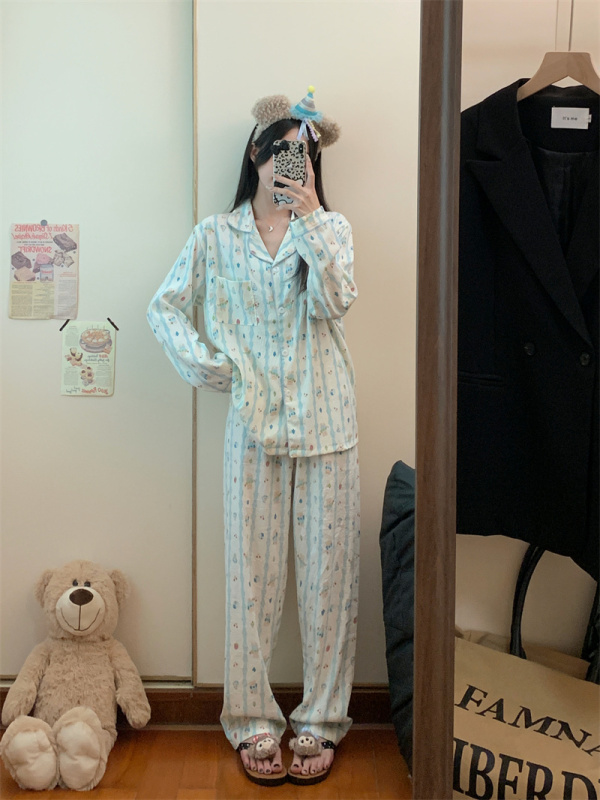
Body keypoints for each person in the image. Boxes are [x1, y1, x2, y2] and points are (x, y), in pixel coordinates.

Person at [147, 87, 360, 787]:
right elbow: (164, 307)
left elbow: (335, 302)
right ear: (255, 153)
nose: (290, 166)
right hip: (254, 429)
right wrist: (213, 368)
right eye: (281, 153)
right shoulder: (214, 236)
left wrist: (312, 217)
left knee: (328, 584)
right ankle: (250, 719)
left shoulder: (330, 229)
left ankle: (323, 719)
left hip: (328, 424)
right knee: (250, 584)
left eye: (304, 156)